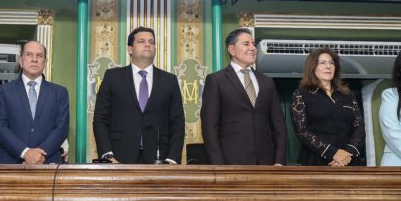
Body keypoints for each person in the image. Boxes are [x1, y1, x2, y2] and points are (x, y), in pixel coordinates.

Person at [93, 26, 185, 164]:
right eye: (141, 41)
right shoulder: (113, 77)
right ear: (130, 49)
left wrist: (171, 159)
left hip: (160, 160)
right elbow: (101, 118)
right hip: (118, 158)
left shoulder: (169, 80)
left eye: (152, 42)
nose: (148, 44)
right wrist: (107, 155)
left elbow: (177, 122)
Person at [200, 28, 287, 165]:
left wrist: (279, 162)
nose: (253, 48)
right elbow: (209, 128)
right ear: (232, 50)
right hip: (231, 163)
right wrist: (219, 166)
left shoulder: (267, 82)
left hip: (266, 164)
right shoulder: (216, 81)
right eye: (246, 44)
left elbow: (279, 127)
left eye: (253, 43)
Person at [0, 41, 69, 165]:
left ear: (45, 62)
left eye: (39, 56)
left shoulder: (59, 92)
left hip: (47, 163)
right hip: (11, 163)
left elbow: (61, 128)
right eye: (29, 54)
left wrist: (39, 155)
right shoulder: (4, 91)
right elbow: (0, 127)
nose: (34, 59)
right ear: (21, 60)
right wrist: (25, 152)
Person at [290, 46, 364, 167]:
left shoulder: (348, 95)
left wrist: (347, 155)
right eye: (322, 63)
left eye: (331, 63)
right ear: (313, 67)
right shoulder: (301, 94)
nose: (328, 66)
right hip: (314, 163)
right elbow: (302, 132)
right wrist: (333, 153)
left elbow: (359, 128)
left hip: (348, 162)